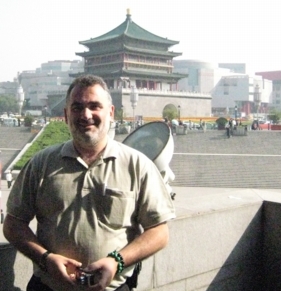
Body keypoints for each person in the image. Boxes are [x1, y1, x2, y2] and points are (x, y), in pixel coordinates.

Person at [3, 75, 175, 291]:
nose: (86, 115)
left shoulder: (137, 165)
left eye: (95, 106)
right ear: (66, 115)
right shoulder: (41, 163)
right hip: (48, 287)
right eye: (77, 107)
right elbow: (13, 223)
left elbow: (159, 231)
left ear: (110, 113)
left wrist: (116, 262)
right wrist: (45, 258)